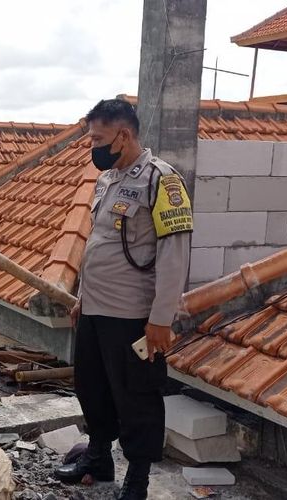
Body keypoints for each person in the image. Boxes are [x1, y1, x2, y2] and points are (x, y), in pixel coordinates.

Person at [54, 99, 192, 500]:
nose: (92, 146)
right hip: (96, 312)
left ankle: (138, 479)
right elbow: (98, 245)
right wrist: (83, 297)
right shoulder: (107, 180)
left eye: (97, 138)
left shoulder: (162, 182)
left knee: (137, 398)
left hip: (134, 317)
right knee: (91, 388)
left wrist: (161, 320)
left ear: (123, 135)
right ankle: (98, 457)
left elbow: (174, 255)